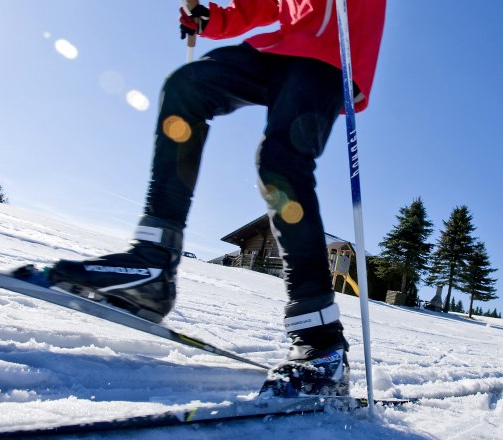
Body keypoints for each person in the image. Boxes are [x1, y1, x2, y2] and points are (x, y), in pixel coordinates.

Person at [40, 0, 386, 398]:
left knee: (280, 164)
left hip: (330, 51)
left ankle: (320, 337)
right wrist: (213, 18)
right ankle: (153, 265)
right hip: (282, 45)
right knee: (187, 86)